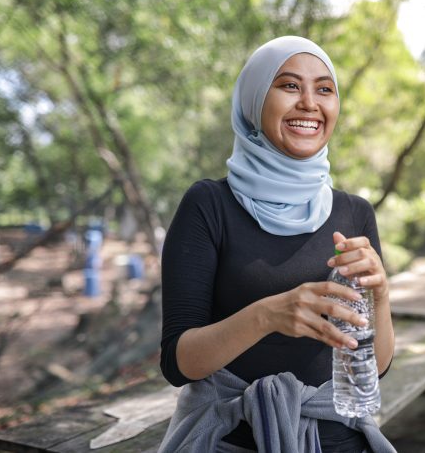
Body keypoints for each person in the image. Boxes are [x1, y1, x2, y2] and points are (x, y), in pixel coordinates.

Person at [159, 36, 396, 453]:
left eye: (324, 89)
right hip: (231, 436)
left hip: (341, 435)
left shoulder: (354, 212)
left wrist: (381, 296)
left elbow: (374, 368)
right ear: (253, 103)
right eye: (289, 86)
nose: (309, 102)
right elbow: (180, 364)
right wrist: (269, 315)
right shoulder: (208, 205)